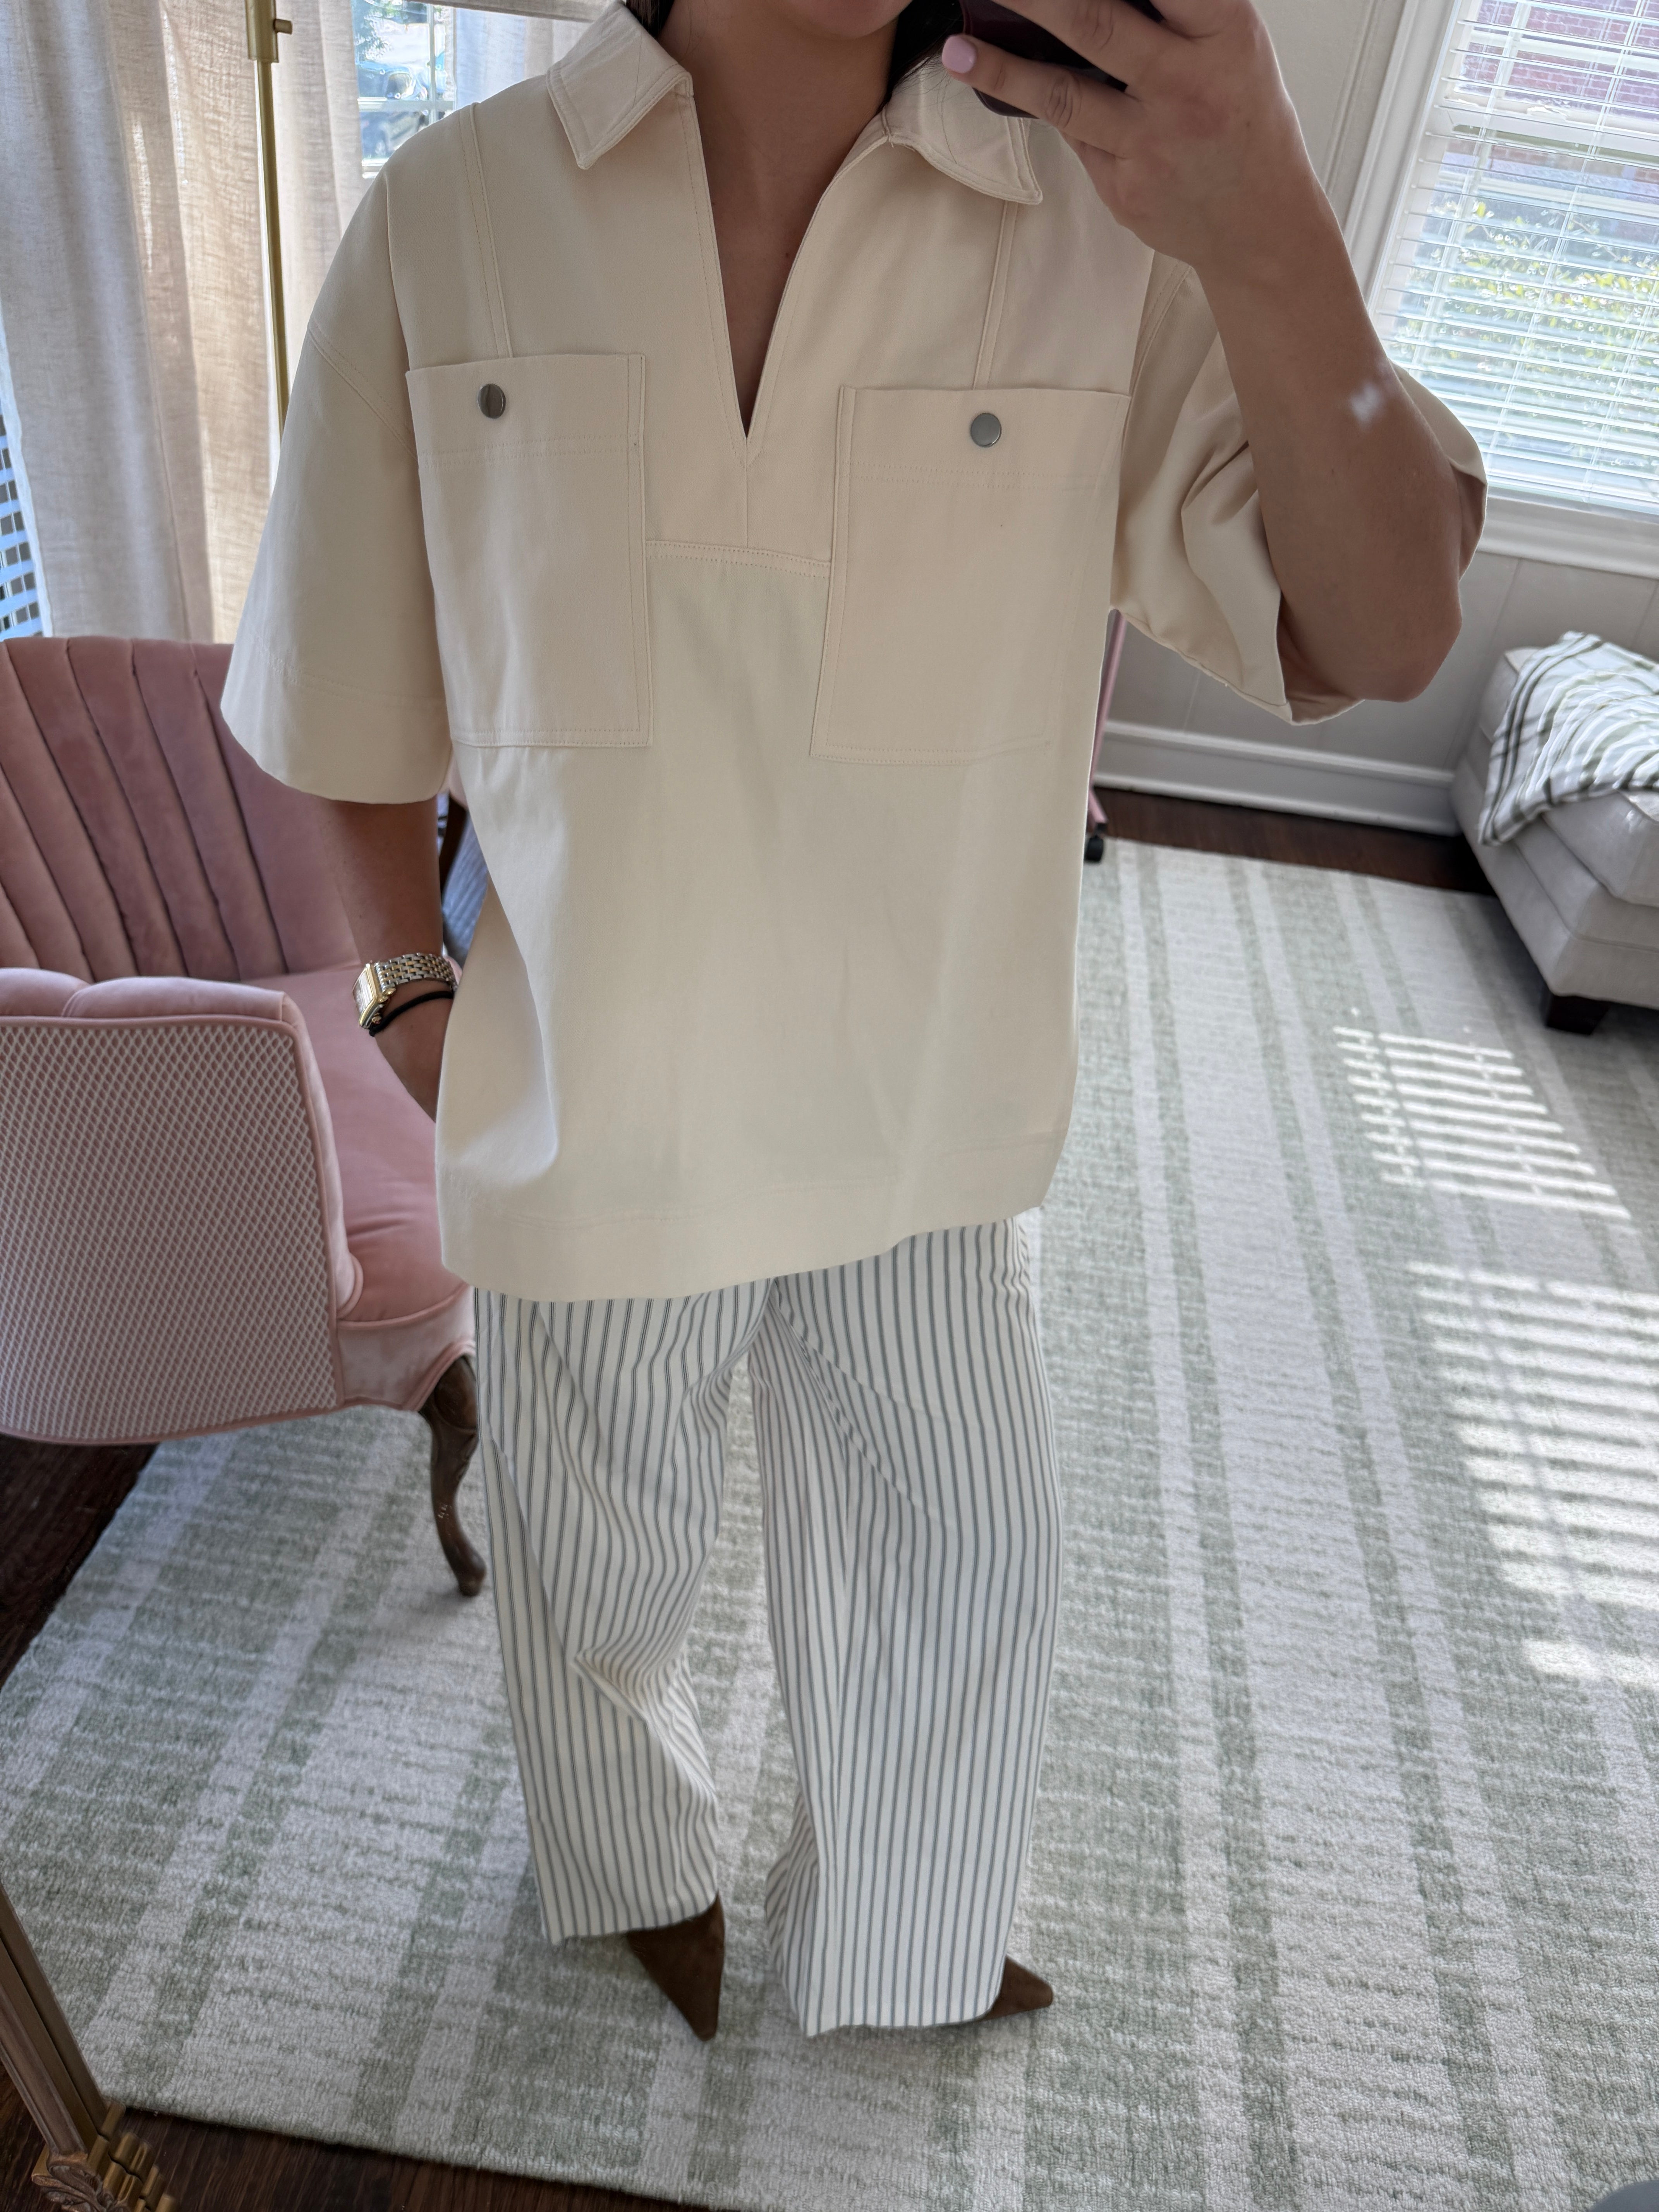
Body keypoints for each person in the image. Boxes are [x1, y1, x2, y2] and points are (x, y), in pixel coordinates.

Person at [222, 0, 1484, 2042]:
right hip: (586, 1099)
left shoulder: (1108, 229)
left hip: (928, 1117)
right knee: (591, 1558)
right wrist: (404, 993)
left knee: (958, 1556)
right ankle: (632, 1869)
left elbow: (1390, 631)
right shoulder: (449, 215)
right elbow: (339, 674)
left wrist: (1264, 214)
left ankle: (910, 1930)